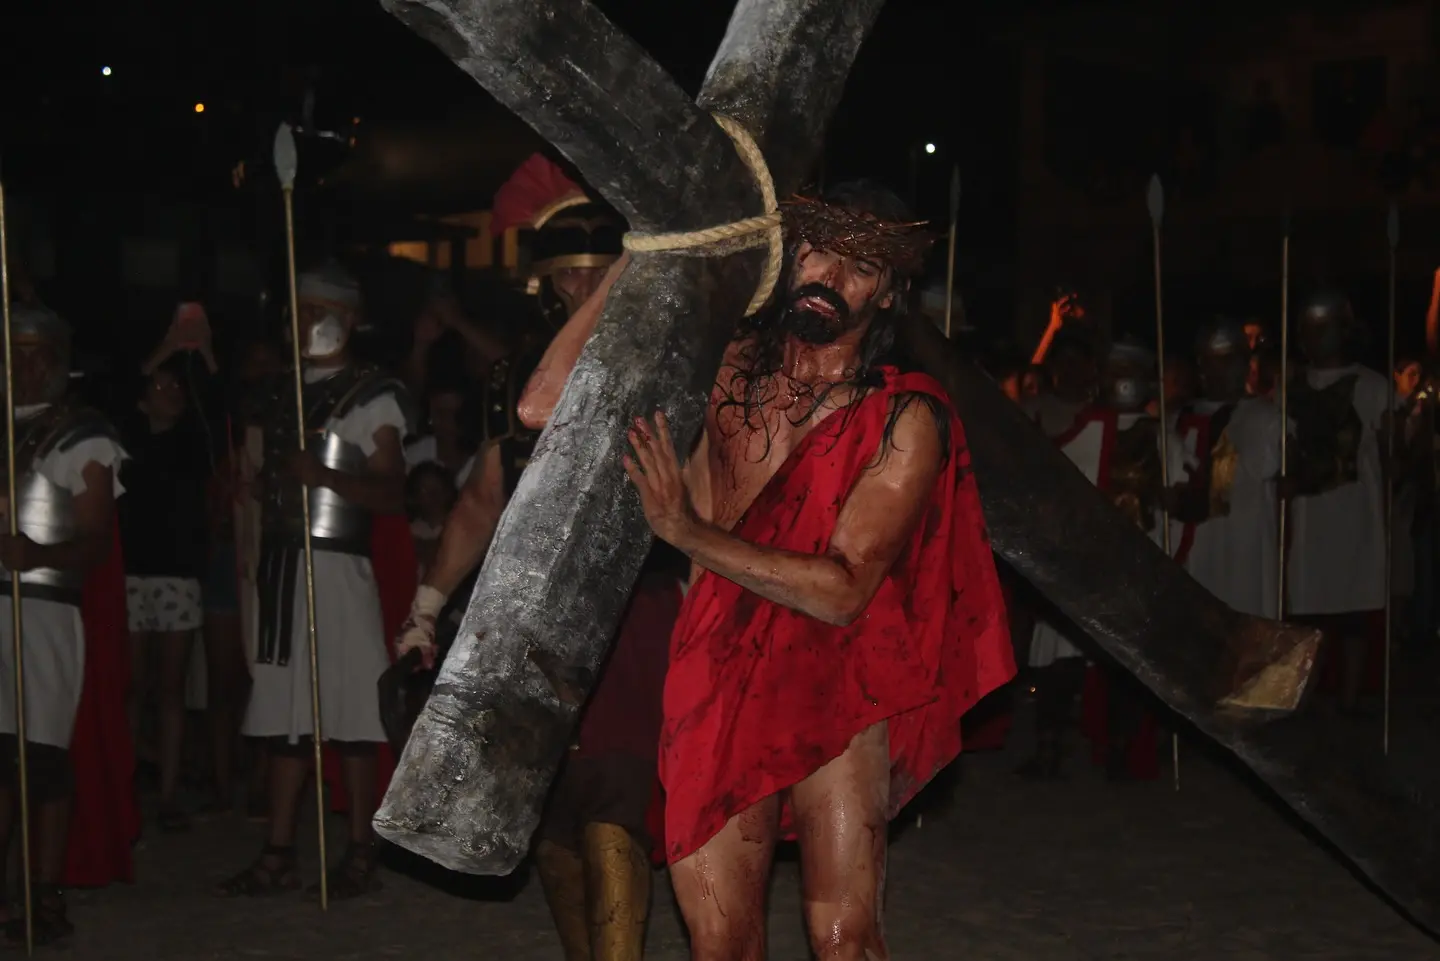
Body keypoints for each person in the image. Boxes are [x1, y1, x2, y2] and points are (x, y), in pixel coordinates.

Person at [519, 180, 1014, 958]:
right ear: (789, 255)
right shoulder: (720, 366)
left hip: (841, 679)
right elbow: (543, 406)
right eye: (817, 251)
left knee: (843, 936)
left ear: (889, 293)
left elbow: (843, 591)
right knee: (722, 942)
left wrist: (687, 531)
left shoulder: (904, 417)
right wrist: (638, 258)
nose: (830, 277)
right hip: (716, 669)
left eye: (861, 267)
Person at [395, 157, 679, 961]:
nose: (581, 289)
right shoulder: (515, 376)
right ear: (546, 281)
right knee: (552, 819)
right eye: (568, 276)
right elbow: (482, 500)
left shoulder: (666, 358)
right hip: (533, 620)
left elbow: (700, 497)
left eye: (596, 272)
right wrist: (426, 606)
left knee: (616, 802)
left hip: (635, 610)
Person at [218, 264, 412, 898]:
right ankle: (278, 850)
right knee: (284, 713)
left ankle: (359, 848)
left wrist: (325, 477)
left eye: (314, 310)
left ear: (347, 318)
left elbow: (392, 492)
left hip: (337, 568)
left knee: (351, 711)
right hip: (281, 569)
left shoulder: (371, 395)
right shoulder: (280, 394)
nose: (302, 323)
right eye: (296, 311)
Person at [0, 305, 131, 943]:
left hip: (45, 614)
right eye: (16, 354)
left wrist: (38, 555)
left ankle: (45, 893)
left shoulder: (82, 437)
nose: (27, 367)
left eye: (39, 355)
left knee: (41, 757)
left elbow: (96, 539)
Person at [1019, 341, 1182, 781]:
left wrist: (1171, 498)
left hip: (1132, 563)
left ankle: (1120, 749)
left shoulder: (1160, 436)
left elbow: (1179, 504)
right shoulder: (1081, 429)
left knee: (1124, 659)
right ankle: (1049, 746)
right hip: (1080, 559)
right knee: (1061, 657)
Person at [120, 308, 220, 831]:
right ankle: (128, 785)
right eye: (161, 386)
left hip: (178, 575)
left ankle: (167, 792)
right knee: (134, 687)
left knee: (172, 689)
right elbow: (115, 391)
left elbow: (215, 403)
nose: (172, 391)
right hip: (132, 574)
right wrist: (164, 348)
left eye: (175, 385)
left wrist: (200, 352)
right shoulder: (125, 440)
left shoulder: (192, 441)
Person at [1285, 290, 1388, 714]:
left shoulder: (1375, 387)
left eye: (1322, 328)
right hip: (1309, 519)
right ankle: (1302, 701)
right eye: (1308, 330)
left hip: (1356, 516)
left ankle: (1349, 700)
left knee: (1352, 613)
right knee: (1306, 614)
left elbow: (1390, 457)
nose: (1314, 338)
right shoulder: (1289, 391)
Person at [1170, 318, 1283, 619]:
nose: (1222, 371)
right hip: (1192, 560)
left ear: (1245, 364)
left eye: (1229, 361)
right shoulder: (1176, 422)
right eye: (1214, 362)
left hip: (1245, 563)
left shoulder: (1267, 418)